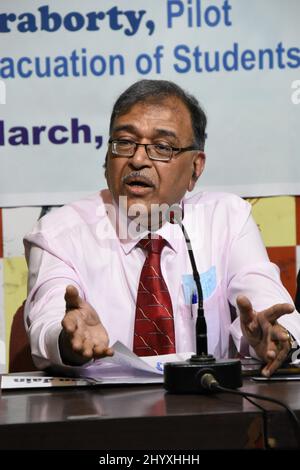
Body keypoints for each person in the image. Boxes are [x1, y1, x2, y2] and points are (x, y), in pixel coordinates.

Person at [24, 79, 300, 377]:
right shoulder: (58, 234)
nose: (138, 159)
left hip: (208, 408)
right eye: (125, 142)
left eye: (161, 147)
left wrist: (277, 334)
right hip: (100, 414)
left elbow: (267, 300)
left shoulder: (227, 219)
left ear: (195, 168)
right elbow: (47, 323)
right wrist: (67, 341)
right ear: (107, 158)